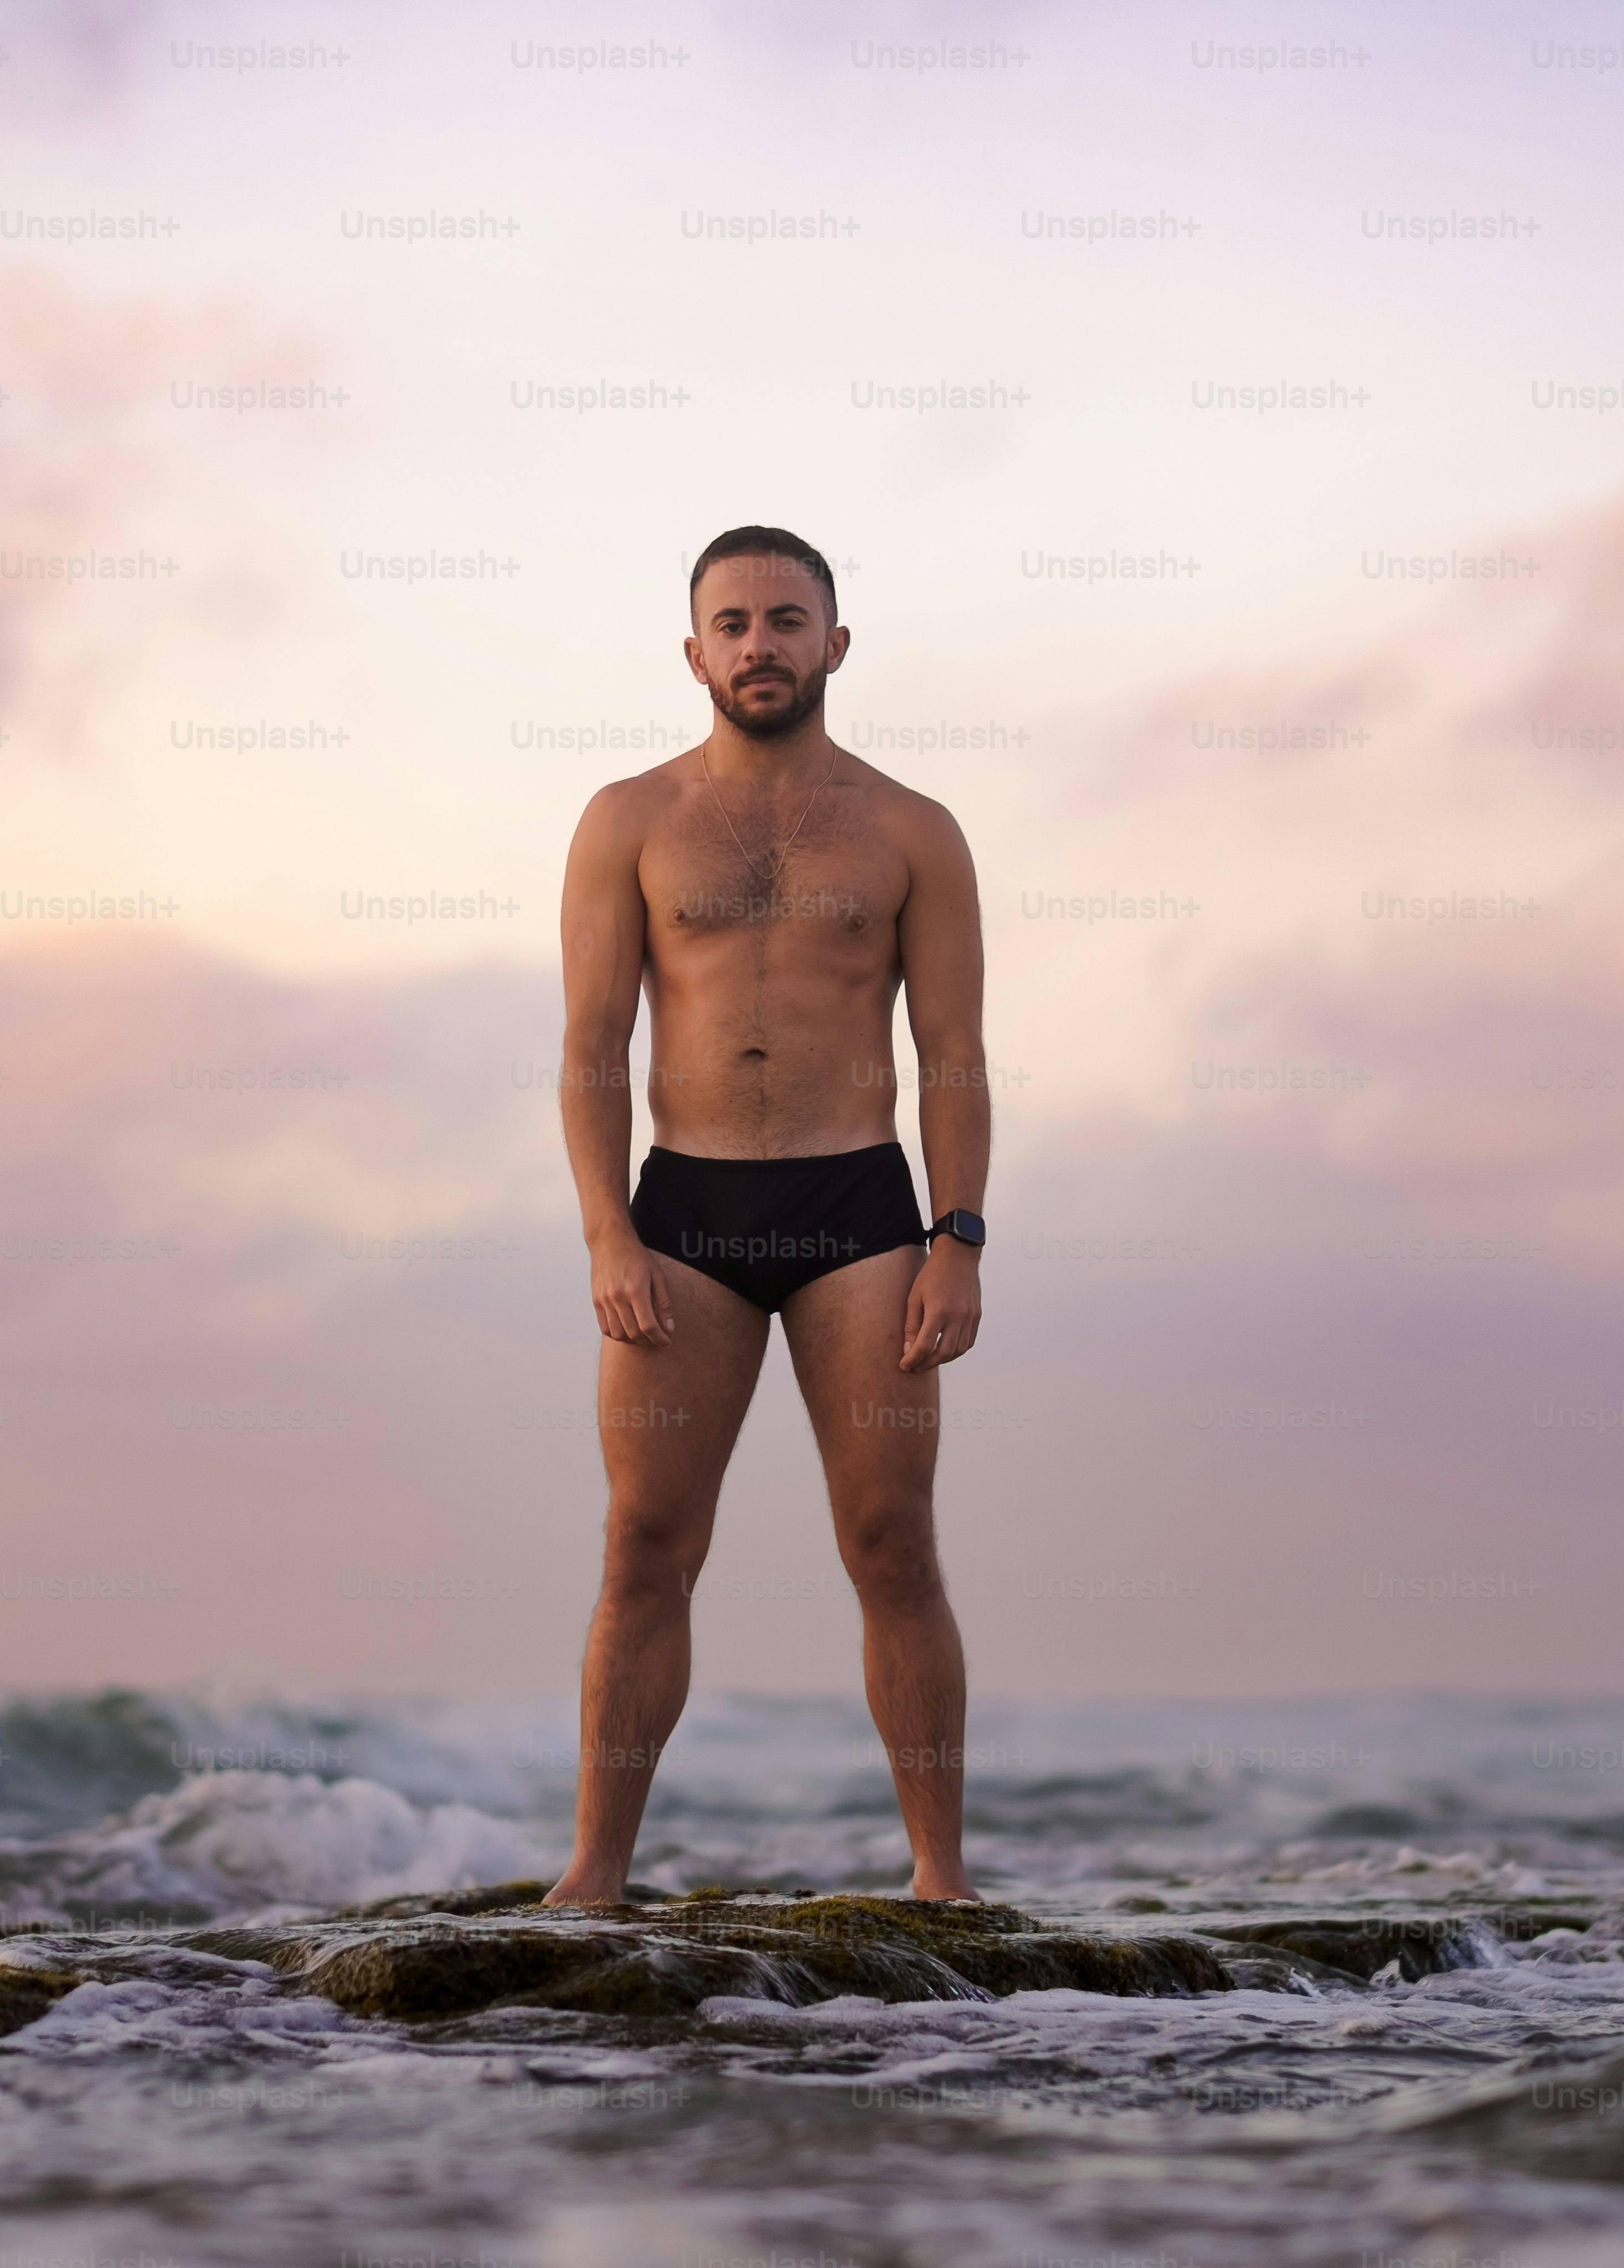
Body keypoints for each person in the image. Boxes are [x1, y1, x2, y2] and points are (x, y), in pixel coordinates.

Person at [541, 525, 991, 1906]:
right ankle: (595, 1876)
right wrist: (608, 1232)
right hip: (683, 1215)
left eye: (787, 621)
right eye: (732, 625)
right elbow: (589, 1045)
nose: (761, 646)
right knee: (645, 1547)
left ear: (835, 645)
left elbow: (954, 1057)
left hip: (860, 1204)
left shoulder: (915, 829)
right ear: (694, 654)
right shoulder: (630, 818)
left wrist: (957, 1237)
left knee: (891, 1544)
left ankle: (940, 1880)